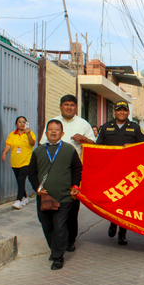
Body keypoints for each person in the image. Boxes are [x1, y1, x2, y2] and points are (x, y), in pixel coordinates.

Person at [40, 94, 95, 253]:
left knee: (71, 209)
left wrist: (84, 138)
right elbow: (43, 145)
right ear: (60, 106)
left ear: (76, 107)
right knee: (51, 208)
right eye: (66, 104)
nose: (69, 107)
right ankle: (56, 239)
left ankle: (70, 239)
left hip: (73, 171)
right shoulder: (53, 123)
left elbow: (94, 145)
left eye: (72, 105)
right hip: (53, 171)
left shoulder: (83, 124)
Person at [28, 120, 82, 270]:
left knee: (60, 226)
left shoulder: (69, 150)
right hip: (44, 197)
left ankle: (58, 257)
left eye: (56, 130)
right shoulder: (38, 151)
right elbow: (31, 172)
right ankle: (55, 249)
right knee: (46, 224)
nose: (53, 132)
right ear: (45, 133)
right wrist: (37, 188)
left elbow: (77, 169)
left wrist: (75, 185)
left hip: (64, 196)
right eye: (50, 130)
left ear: (62, 133)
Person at [96, 100, 144, 245]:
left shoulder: (135, 127)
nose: (122, 112)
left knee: (125, 202)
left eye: (124, 110)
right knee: (113, 199)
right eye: (119, 110)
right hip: (111, 171)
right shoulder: (105, 127)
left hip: (129, 171)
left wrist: (133, 146)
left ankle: (123, 233)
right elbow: (98, 147)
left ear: (128, 112)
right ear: (115, 112)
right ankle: (113, 221)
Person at [1, 116, 36, 210]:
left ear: (26, 123)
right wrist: (4, 153)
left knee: (21, 179)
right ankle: (25, 198)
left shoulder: (30, 133)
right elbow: (8, 145)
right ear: (16, 124)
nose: (21, 123)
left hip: (26, 161)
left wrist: (28, 134)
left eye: (23, 122)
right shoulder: (12, 135)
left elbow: (32, 143)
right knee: (19, 181)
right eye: (19, 122)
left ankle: (18, 200)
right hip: (15, 162)